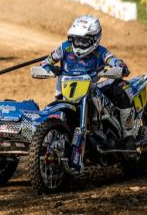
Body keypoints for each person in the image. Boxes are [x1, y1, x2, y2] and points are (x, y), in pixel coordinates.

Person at [39, 15, 136, 150]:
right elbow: (46, 62)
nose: (79, 44)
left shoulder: (101, 52)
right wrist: (50, 68)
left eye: (84, 41)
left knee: (119, 89)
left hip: (91, 89)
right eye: (76, 39)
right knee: (48, 111)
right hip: (65, 93)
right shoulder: (65, 47)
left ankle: (129, 136)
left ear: (95, 39)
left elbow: (113, 60)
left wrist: (120, 66)